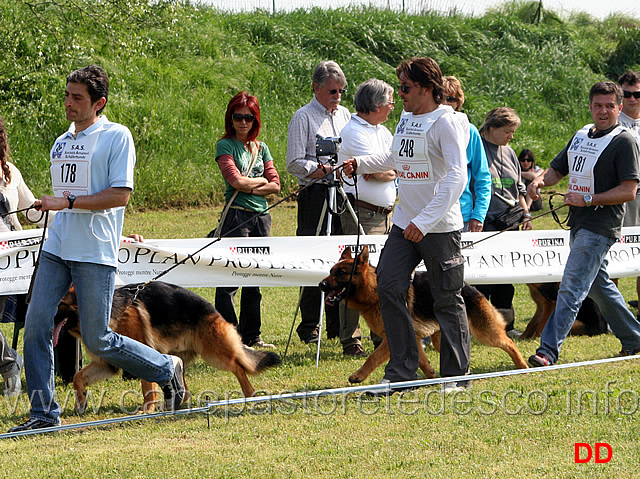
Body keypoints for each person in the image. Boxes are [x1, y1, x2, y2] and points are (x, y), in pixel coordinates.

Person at [9, 65, 187, 432]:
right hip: (57, 246)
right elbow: (65, 195)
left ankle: (167, 368)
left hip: (94, 253)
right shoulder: (61, 141)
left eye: (77, 98)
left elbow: (119, 195)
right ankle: (43, 414)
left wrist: (68, 203)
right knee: (36, 325)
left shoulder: (117, 137)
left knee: (98, 339)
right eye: (67, 95)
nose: (68, 103)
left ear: (99, 103)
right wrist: (53, 205)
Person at [343, 56, 471, 392]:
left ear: (428, 88)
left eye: (405, 87)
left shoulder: (447, 122)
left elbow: (457, 176)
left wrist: (426, 221)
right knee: (387, 286)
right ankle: (401, 373)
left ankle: (456, 378)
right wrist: (359, 163)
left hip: (439, 227)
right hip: (404, 223)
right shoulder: (406, 118)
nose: (399, 94)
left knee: (446, 297)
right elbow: (395, 159)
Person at [527, 81, 640, 367]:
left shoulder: (624, 141)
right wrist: (541, 180)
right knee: (599, 286)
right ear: (590, 107)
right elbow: (557, 169)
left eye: (609, 106)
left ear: (619, 107)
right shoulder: (581, 135)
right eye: (598, 106)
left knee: (572, 285)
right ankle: (635, 338)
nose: (603, 112)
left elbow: (629, 190)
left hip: (601, 225)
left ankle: (547, 352)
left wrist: (588, 199)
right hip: (578, 223)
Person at [286, 61, 354, 349]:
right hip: (315, 193)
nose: (337, 95)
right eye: (332, 90)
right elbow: (294, 162)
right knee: (312, 256)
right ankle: (309, 324)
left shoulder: (347, 115)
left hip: (343, 194)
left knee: (341, 258)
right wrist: (324, 169)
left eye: (341, 91)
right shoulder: (303, 117)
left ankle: (338, 326)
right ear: (316, 88)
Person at [211, 92, 280, 349]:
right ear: (231, 118)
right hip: (236, 216)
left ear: (255, 119)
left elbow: (276, 185)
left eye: (248, 117)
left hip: (261, 218)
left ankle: (252, 335)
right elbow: (235, 181)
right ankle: (229, 335)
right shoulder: (225, 146)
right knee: (230, 277)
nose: (243, 122)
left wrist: (254, 185)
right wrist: (258, 183)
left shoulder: (261, 148)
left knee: (256, 276)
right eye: (237, 117)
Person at [337, 78, 397, 355]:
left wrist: (384, 169)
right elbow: (378, 169)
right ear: (376, 105)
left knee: (379, 276)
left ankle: (380, 332)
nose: (393, 107)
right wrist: (385, 169)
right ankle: (351, 339)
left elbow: (394, 166)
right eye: (390, 101)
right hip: (361, 211)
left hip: (386, 214)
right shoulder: (353, 132)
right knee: (354, 276)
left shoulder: (383, 131)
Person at [0, 115, 50, 397]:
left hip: (12, 261)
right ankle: (9, 363)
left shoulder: (10, 173)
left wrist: (72, 213)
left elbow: (33, 213)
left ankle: (9, 366)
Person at [474, 107, 532, 337]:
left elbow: (518, 189)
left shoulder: (509, 153)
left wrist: (526, 214)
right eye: (507, 131)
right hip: (483, 224)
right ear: (491, 128)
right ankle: (479, 324)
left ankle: (507, 326)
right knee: (481, 279)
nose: (511, 136)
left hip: (509, 223)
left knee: (505, 278)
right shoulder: (475, 148)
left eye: (513, 131)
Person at [441, 76, 491, 232]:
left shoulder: (470, 131)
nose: (446, 103)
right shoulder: (424, 127)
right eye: (441, 98)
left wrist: (479, 215)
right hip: (425, 212)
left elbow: (483, 177)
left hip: (461, 215)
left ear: (459, 102)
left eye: (451, 99)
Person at [613, 71, 640, 311]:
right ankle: (613, 312)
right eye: (627, 94)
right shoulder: (612, 121)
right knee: (617, 252)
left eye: (637, 94)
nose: (632, 99)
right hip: (622, 195)